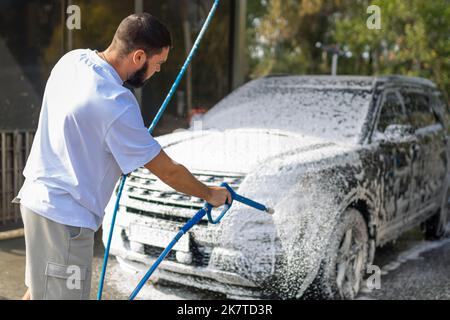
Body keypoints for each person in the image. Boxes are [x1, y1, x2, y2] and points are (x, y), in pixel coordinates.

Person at [12, 13, 231, 300]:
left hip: (34, 202)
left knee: (40, 292)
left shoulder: (71, 61)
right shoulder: (117, 102)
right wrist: (209, 193)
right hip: (65, 219)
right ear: (139, 56)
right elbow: (169, 171)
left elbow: (80, 130)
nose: (158, 71)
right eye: (158, 64)